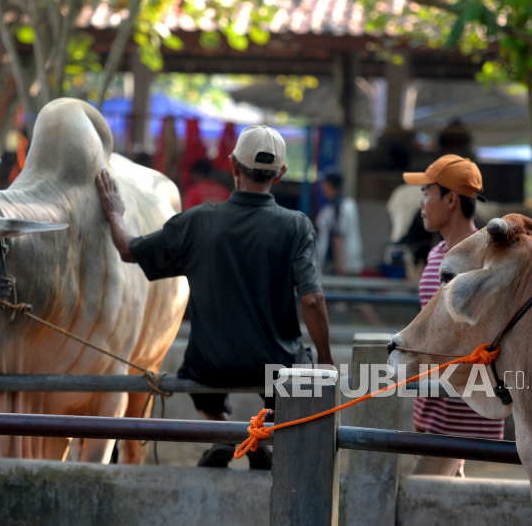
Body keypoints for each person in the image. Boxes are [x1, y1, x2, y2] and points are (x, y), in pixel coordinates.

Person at [96, 125, 333, 470]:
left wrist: (115, 213)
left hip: (209, 366)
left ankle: (222, 432)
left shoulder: (199, 221)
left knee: (193, 376)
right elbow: (313, 301)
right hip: (275, 361)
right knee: (301, 379)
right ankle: (266, 439)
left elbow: (129, 250)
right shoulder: (296, 225)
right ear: (280, 174)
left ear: (233, 166)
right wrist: (325, 359)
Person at [402, 154, 504, 477]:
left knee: (416, 500)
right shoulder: (436, 254)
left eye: (426, 193)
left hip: (457, 414)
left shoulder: (484, 259)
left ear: (450, 199)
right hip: (433, 404)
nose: (421, 203)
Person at [315, 169, 363, 275]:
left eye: (324, 183)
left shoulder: (340, 206)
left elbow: (338, 236)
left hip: (341, 266)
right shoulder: (337, 206)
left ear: (330, 185)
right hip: (344, 264)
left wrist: (339, 265)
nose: (322, 187)